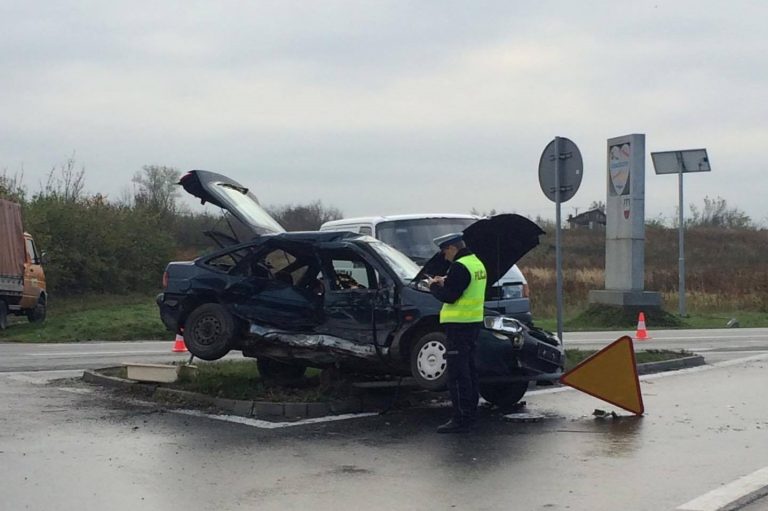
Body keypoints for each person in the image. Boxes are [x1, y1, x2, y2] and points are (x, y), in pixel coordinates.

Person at [427, 232, 487, 433]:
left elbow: (450, 296)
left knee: (457, 374)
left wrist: (434, 286)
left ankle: (461, 418)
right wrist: (448, 280)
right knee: (469, 370)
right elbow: (464, 287)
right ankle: (470, 412)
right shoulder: (476, 263)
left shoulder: (460, 266)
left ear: (452, 248)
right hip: (473, 323)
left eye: (445, 251)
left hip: (458, 325)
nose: (444, 256)